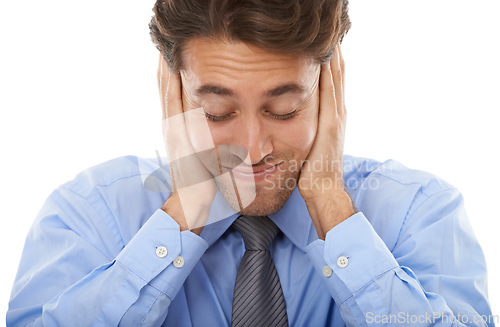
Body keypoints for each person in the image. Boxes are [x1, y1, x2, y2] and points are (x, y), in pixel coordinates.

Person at [7, 0, 494, 326]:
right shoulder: (89, 214)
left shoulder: (420, 213)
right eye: (217, 111)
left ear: (329, 88)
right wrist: (184, 213)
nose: (253, 147)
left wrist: (331, 205)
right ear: (172, 87)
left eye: (284, 109)